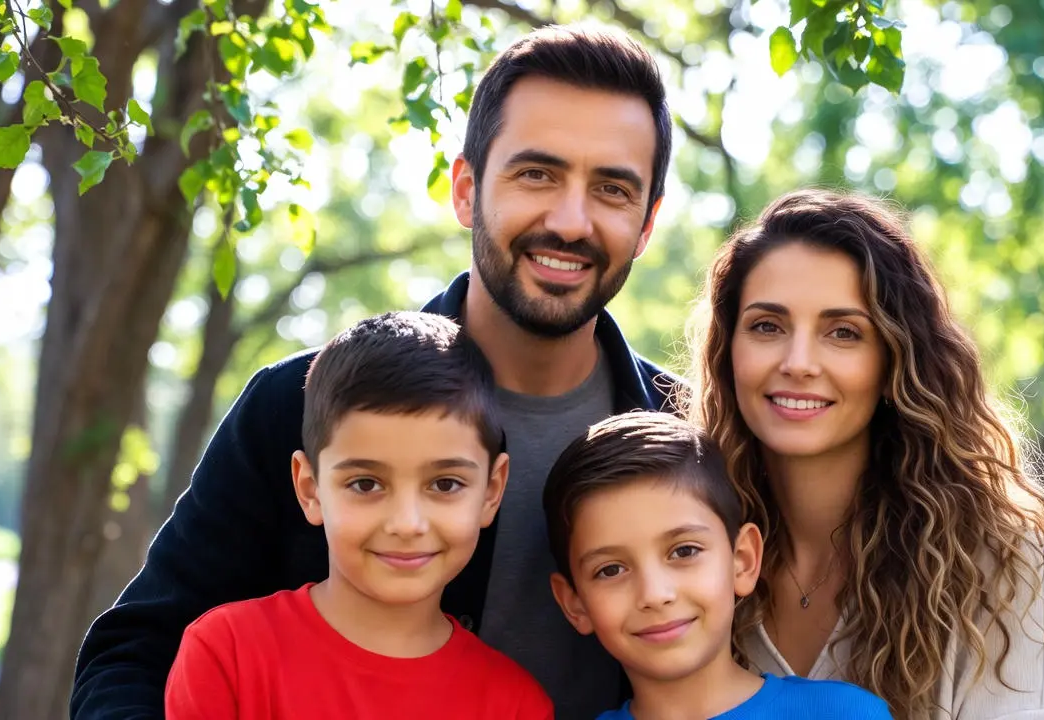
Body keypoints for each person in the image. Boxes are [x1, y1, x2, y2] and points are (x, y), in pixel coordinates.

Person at [72, 24, 678, 720]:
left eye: (611, 189)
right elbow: (133, 655)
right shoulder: (296, 405)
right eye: (536, 174)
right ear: (466, 188)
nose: (570, 221)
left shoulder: (692, 434)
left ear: (647, 223)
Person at [684, 188, 1044, 719]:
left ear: (895, 360)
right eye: (767, 326)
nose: (798, 362)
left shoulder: (991, 561)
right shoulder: (687, 547)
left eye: (843, 333)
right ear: (727, 349)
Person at [163, 312, 553, 719]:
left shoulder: (515, 706)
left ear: (492, 491)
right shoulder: (228, 654)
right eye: (366, 484)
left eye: (445, 484)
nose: (406, 523)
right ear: (310, 489)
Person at [542, 411, 892, 720]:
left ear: (743, 560)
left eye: (684, 551)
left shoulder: (845, 714)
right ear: (574, 602)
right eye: (611, 570)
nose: (655, 594)